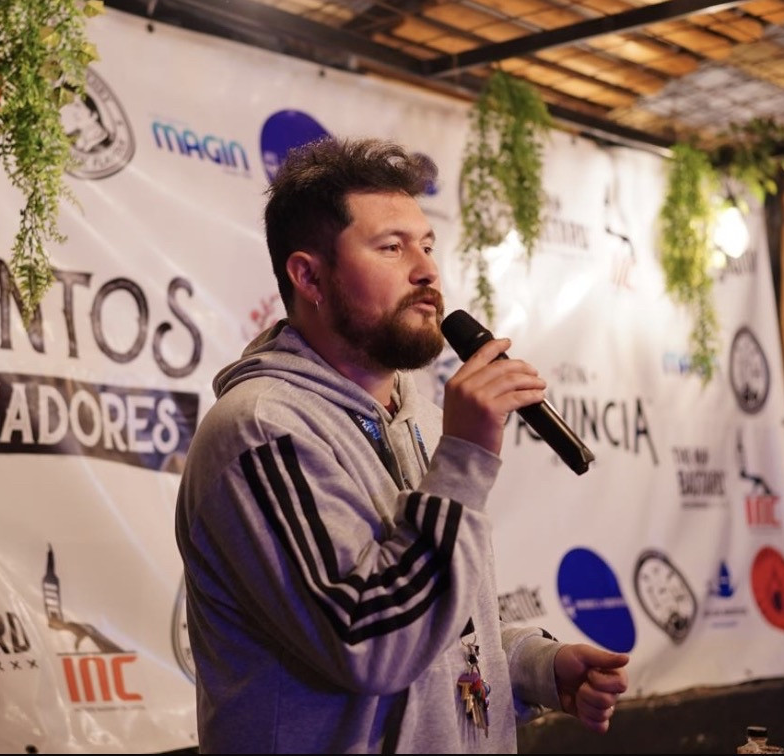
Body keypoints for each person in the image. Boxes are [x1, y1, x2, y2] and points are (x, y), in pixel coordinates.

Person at [174, 136, 629, 753]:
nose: (427, 271)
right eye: (392, 247)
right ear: (309, 276)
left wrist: (533, 666)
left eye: (427, 246)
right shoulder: (260, 430)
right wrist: (464, 460)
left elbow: (441, 623)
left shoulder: (424, 420)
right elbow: (371, 641)